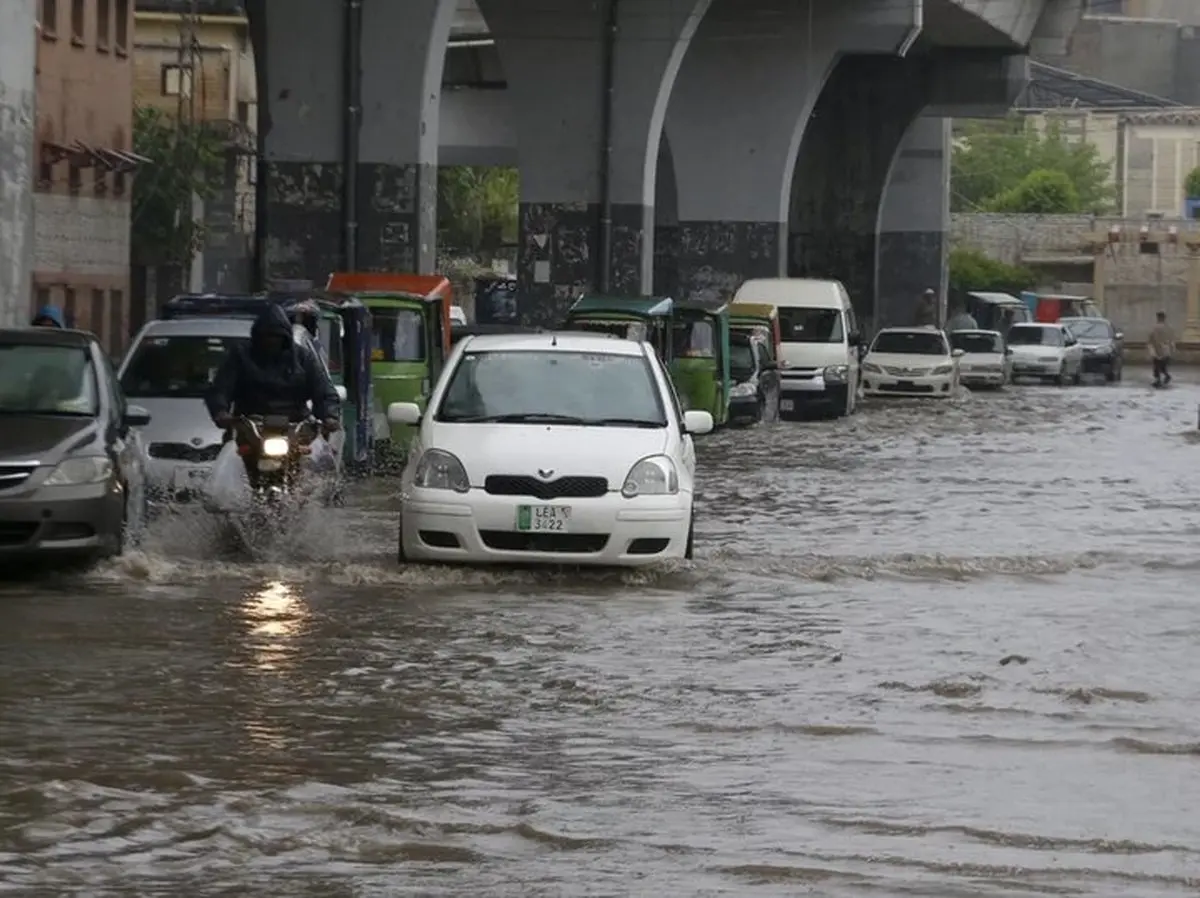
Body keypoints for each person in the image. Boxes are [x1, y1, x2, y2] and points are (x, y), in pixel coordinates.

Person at [205, 304, 341, 435]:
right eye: (267, 336)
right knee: (230, 455)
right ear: (258, 336)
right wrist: (221, 412)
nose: (271, 341)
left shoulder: (303, 357)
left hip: (296, 427)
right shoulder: (241, 355)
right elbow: (222, 387)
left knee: (317, 455)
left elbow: (323, 389)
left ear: (285, 337)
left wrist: (329, 415)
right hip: (249, 428)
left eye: (277, 336)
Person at [1148, 310, 1174, 387]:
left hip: (1158, 350)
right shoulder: (1168, 327)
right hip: (1166, 350)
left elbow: (1152, 339)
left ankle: (1159, 380)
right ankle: (1163, 378)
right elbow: (1171, 340)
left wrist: (1153, 349)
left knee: (1157, 365)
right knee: (1162, 366)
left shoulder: (1155, 327)